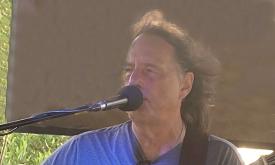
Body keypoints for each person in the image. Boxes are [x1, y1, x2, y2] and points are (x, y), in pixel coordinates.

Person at [43, 10, 244, 165]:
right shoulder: (82, 152)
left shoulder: (218, 157)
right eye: (129, 70)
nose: (133, 80)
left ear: (185, 85)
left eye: (150, 70)